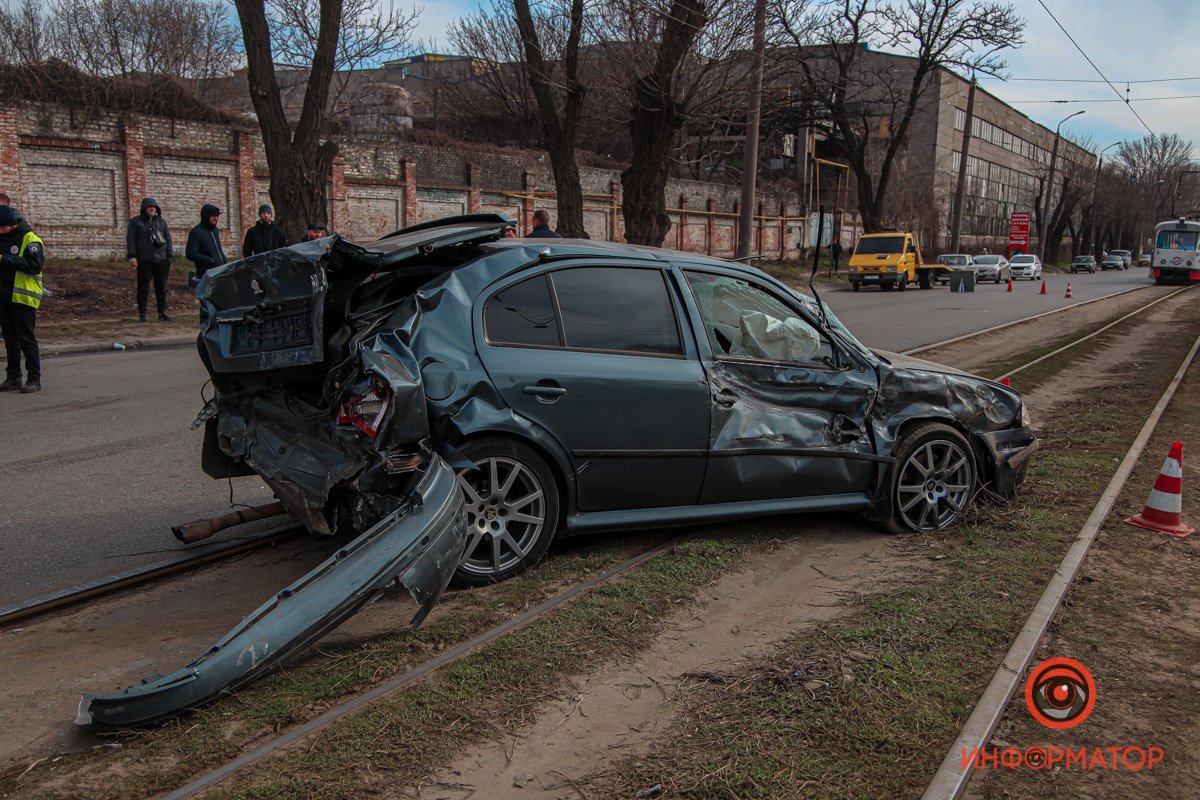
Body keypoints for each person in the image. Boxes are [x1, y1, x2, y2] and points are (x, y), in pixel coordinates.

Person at [0, 205, 45, 393]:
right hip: (4, 296)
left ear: (10, 224)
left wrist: (5, 259)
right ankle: (13, 377)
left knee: (26, 339)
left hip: (23, 296)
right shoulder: (1, 238)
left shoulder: (30, 239)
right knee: (10, 339)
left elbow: (34, 266)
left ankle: (34, 378)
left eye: (1, 227)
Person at [126, 197, 173, 322]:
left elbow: (168, 239)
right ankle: (142, 314)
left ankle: (162, 312)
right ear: (144, 209)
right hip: (144, 259)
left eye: (154, 207)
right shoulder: (136, 222)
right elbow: (131, 239)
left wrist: (169, 255)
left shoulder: (161, 222)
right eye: (150, 207)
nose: (152, 209)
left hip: (161, 259)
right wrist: (132, 256)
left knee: (161, 287)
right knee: (143, 287)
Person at [186, 204, 227, 285]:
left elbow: (217, 250)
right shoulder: (196, 232)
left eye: (216, 216)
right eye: (213, 216)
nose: (215, 218)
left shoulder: (215, 230)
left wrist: (224, 261)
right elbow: (190, 254)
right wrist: (210, 260)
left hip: (221, 271)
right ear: (206, 216)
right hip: (207, 274)